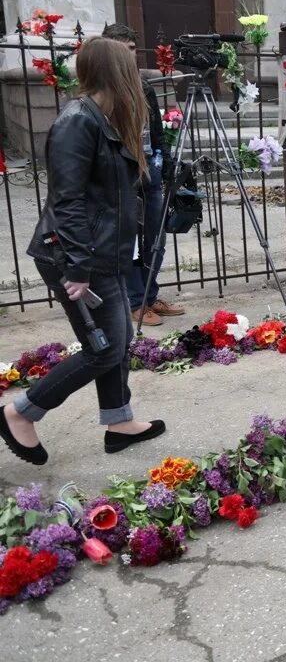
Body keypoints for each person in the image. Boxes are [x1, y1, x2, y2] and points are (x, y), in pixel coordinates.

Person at [0, 37, 167, 466]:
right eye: (130, 64)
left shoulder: (105, 118)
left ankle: (119, 420)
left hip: (100, 254)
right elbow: (67, 200)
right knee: (105, 347)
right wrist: (77, 267)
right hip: (75, 257)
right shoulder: (78, 121)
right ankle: (20, 412)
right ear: (114, 71)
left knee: (116, 337)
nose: (137, 72)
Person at [102, 23, 185, 326]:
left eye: (132, 49)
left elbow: (158, 131)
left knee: (155, 237)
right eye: (121, 49)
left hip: (150, 170)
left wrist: (164, 159)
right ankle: (135, 301)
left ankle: (149, 296)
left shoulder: (143, 86)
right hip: (123, 177)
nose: (128, 55)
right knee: (132, 242)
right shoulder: (103, 91)